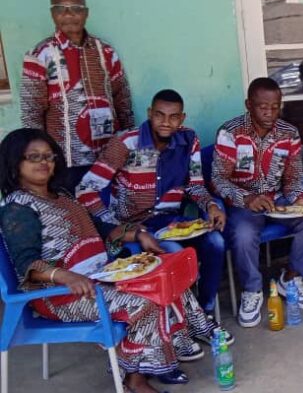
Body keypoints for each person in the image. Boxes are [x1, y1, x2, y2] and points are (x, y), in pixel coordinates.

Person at [0, 128, 213, 393]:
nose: (44, 162)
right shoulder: (18, 207)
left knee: (166, 277)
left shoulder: (62, 196)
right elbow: (27, 265)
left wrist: (138, 234)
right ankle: (134, 378)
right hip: (62, 295)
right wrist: (66, 276)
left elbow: (99, 228)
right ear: (15, 162)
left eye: (49, 156)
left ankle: (169, 351)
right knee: (145, 302)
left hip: (99, 276)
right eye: (34, 157)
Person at [74, 89, 230, 339]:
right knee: (174, 254)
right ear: (149, 113)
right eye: (159, 115)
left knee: (216, 241)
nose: (166, 122)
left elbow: (195, 185)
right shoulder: (126, 143)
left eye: (173, 117)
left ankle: (204, 311)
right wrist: (116, 227)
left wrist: (210, 205)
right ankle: (180, 325)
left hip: (170, 222)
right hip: (134, 227)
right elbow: (85, 190)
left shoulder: (189, 140)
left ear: (182, 118)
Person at [212, 78, 303, 327]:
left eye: (275, 107)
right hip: (243, 203)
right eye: (263, 107)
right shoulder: (230, 133)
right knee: (243, 234)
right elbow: (218, 180)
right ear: (248, 104)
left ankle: (291, 277)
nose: (270, 113)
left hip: (277, 198)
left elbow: (293, 178)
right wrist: (246, 198)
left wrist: (298, 197)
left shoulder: (288, 133)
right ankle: (252, 290)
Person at [20, 0, 135, 192]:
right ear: (52, 14)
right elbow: (32, 111)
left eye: (76, 8)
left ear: (86, 13)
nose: (69, 14)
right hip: (66, 158)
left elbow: (122, 99)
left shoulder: (105, 51)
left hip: (109, 153)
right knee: (73, 205)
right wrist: (41, 158)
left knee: (108, 205)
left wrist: (129, 143)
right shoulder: (40, 54)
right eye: (61, 9)